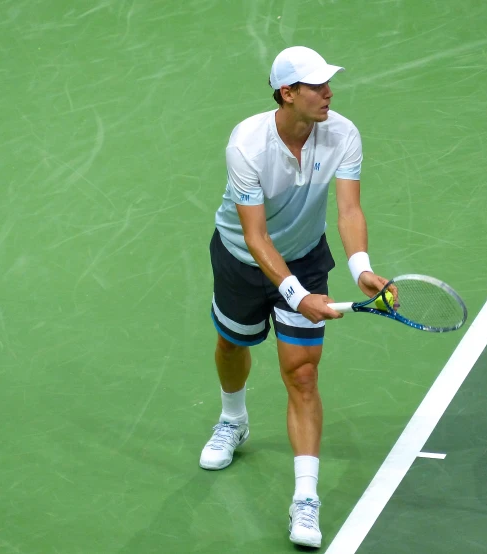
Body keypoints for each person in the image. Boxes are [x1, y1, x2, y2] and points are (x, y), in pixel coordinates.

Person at [199, 46, 391, 548]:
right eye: (316, 86)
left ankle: (305, 499)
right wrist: (296, 295)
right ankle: (232, 420)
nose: (329, 93)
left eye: (329, 83)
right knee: (232, 346)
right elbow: (257, 237)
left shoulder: (343, 133)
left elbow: (348, 210)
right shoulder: (247, 145)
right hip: (242, 257)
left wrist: (361, 268)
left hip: (305, 255)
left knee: (302, 373)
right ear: (287, 93)